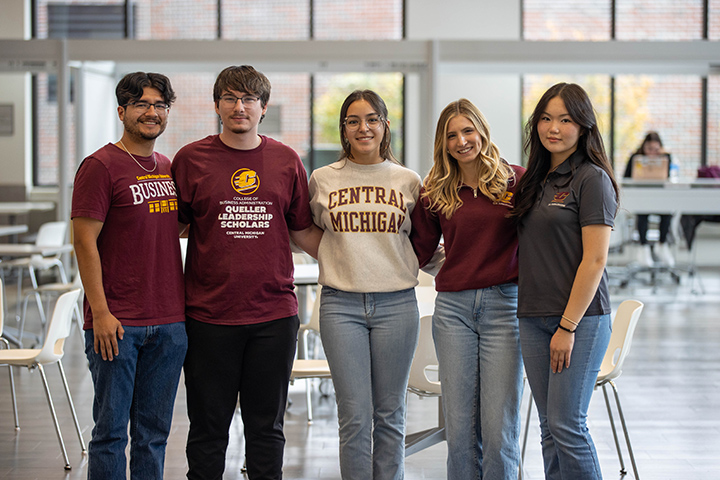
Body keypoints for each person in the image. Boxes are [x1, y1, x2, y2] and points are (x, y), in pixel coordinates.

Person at [171, 65, 322, 480]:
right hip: (207, 317)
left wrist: (361, 256)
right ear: (217, 105)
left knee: (266, 429)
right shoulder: (189, 160)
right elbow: (172, 229)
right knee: (207, 430)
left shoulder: (287, 160)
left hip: (273, 316)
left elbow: (303, 230)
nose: (240, 107)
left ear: (264, 107)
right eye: (230, 99)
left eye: (249, 100)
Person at [72, 72, 187, 480]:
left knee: (154, 434)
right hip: (116, 322)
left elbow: (176, 226)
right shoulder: (100, 166)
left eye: (159, 105)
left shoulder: (167, 167)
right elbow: (84, 243)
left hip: (170, 321)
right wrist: (100, 313)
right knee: (109, 434)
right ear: (122, 111)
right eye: (141, 104)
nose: (151, 113)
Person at [308, 89, 424, 480]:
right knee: (354, 415)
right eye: (354, 121)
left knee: (391, 413)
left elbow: (423, 242)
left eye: (372, 119)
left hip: (397, 306)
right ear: (344, 129)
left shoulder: (408, 181)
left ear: (385, 125)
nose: (364, 128)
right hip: (341, 306)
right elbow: (306, 231)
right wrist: (335, 256)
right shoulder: (323, 179)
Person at [410, 99, 525, 480]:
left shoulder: (516, 180)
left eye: (468, 131)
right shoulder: (435, 190)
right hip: (453, 311)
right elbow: (419, 250)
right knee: (460, 427)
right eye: (452, 135)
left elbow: (541, 240)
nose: (461, 141)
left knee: (499, 427)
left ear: (482, 131)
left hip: (504, 308)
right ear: (443, 143)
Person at [510, 82, 618, 480]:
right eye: (545, 118)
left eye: (565, 119)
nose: (553, 127)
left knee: (568, 426)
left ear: (584, 126)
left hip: (579, 321)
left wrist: (567, 327)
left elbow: (595, 259)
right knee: (549, 430)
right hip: (532, 317)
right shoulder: (535, 179)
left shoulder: (592, 179)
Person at [623, 131, 674, 267]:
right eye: (649, 149)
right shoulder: (635, 158)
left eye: (656, 150)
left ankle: (662, 244)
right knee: (642, 213)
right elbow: (626, 178)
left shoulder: (665, 158)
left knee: (667, 213)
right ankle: (643, 247)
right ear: (643, 148)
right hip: (641, 197)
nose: (652, 153)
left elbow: (667, 178)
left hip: (660, 198)